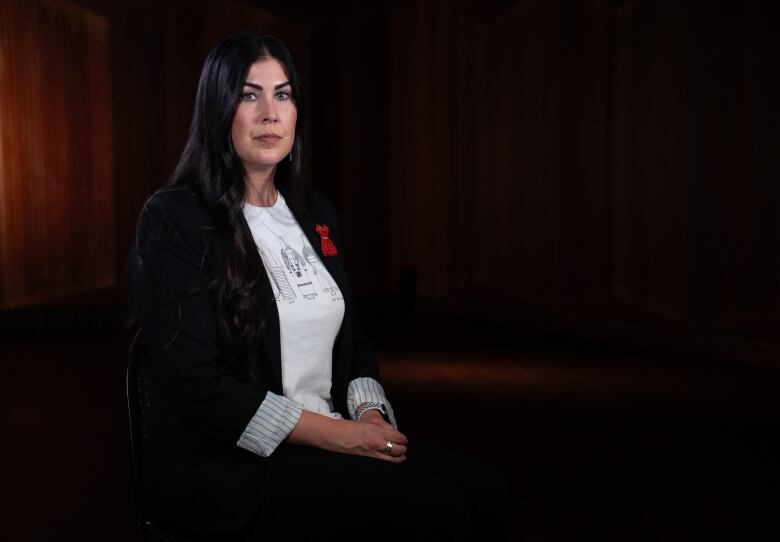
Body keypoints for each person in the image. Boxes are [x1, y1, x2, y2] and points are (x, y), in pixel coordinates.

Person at [129, 31, 510, 541]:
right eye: (249, 94)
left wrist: (369, 417)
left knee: (486, 492)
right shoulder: (175, 218)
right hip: (234, 467)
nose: (270, 113)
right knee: (433, 510)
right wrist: (340, 437)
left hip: (330, 434)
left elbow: (352, 343)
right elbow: (197, 386)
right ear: (218, 110)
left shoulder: (315, 214)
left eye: (283, 95)